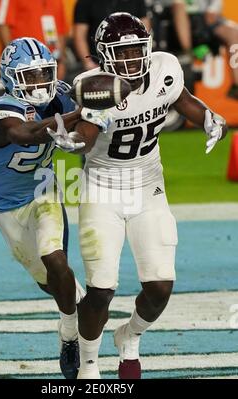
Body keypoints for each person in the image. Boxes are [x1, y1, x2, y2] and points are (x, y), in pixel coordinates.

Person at [65, 12, 227, 379]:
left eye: (137, 50)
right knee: (101, 289)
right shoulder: (95, 85)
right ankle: (89, 362)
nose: (131, 59)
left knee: (159, 287)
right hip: (102, 189)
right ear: (105, 56)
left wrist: (206, 118)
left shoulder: (164, 66)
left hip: (148, 186)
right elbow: (86, 136)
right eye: (121, 53)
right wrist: (72, 142)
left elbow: (181, 99)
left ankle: (130, 337)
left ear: (147, 47)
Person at [0, 37, 111, 379]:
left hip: (42, 189)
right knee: (48, 281)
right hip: (5, 204)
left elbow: (89, 113)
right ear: (10, 77)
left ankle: (69, 332)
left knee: (56, 259)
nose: (39, 83)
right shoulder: (1, 109)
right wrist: (78, 112)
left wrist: (96, 104)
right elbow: (25, 134)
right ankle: (69, 308)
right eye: (30, 76)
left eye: (43, 74)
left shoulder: (61, 94)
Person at [170, 0, 238, 99]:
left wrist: (212, 10)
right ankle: (188, 54)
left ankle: (236, 86)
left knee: (234, 32)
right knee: (178, 4)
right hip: (179, 16)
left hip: (205, 18)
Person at [0, 0, 68, 80]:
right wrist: (14, 60)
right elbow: (2, 25)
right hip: (21, 67)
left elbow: (61, 31)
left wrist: (61, 61)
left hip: (49, 65)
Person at [73, 0, 151, 71]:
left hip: (136, 56)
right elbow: (80, 36)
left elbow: (145, 30)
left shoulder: (137, 1)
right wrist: (88, 63)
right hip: (100, 61)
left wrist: (143, 56)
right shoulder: (85, 2)